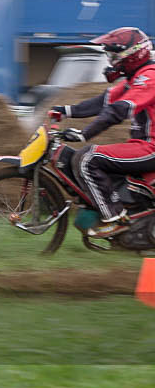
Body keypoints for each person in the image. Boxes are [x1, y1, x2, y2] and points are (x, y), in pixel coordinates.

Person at [50, 27, 155, 238]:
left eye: (114, 55)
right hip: (140, 144)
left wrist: (84, 134)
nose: (111, 61)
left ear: (133, 55)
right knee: (91, 158)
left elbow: (118, 110)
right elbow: (103, 102)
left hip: (150, 148)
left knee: (88, 158)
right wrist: (65, 111)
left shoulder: (149, 77)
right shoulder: (133, 79)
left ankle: (114, 219)